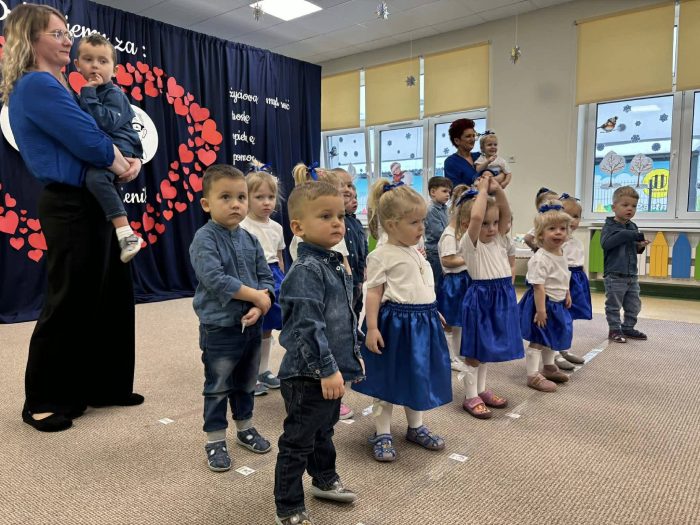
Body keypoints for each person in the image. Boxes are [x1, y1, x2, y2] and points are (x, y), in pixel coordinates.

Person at [2, 4, 143, 432]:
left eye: (67, 33)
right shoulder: (36, 84)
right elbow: (86, 139)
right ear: (32, 39)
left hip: (93, 201)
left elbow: (105, 132)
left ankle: (104, 385)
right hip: (69, 204)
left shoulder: (64, 83)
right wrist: (121, 163)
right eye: (58, 34)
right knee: (70, 300)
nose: (68, 41)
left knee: (110, 296)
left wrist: (128, 159)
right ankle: (43, 400)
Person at [274, 181, 364, 525]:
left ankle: (324, 479)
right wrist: (327, 369)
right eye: (325, 216)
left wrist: (351, 358)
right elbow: (307, 328)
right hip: (306, 375)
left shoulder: (334, 263)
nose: (337, 222)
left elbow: (343, 318)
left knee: (324, 432)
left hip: (331, 371)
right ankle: (288, 506)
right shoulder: (306, 271)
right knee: (298, 441)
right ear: (298, 227)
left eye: (339, 215)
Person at [353, 179, 451, 462]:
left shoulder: (415, 251)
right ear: (392, 225)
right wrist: (372, 327)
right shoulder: (381, 255)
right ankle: (382, 432)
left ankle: (415, 427)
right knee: (386, 379)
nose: (422, 228)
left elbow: (421, 287)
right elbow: (373, 293)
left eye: (422, 221)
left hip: (422, 323)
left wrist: (432, 310)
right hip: (395, 326)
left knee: (416, 375)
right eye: (414, 222)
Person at [189, 165, 275, 472]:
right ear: (206, 204)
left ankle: (245, 427)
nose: (235, 204)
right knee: (218, 385)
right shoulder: (204, 239)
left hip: (251, 326)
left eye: (241, 197)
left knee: (246, 382)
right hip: (220, 327)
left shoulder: (251, 239)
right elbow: (215, 278)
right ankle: (215, 439)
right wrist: (256, 297)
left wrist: (261, 305)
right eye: (225, 197)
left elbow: (266, 277)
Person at [457, 175, 523, 418]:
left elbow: (506, 214)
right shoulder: (470, 243)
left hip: (501, 297)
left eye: (494, 223)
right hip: (481, 299)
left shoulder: (500, 240)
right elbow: (476, 217)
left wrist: (498, 190)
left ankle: (481, 389)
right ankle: (470, 396)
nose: (492, 228)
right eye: (486, 224)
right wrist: (483, 191)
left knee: (485, 350)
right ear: (467, 225)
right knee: (475, 352)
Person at [74, 33, 143, 263]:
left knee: (96, 178)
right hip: (104, 146)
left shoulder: (113, 94)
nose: (95, 66)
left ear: (114, 70)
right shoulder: (84, 94)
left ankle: (127, 234)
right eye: (88, 60)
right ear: (77, 65)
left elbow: (105, 123)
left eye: (103, 61)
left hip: (121, 147)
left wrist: (88, 93)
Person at [518, 200, 574, 393]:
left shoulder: (561, 252)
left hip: (557, 302)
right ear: (540, 234)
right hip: (542, 303)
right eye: (552, 229)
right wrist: (541, 311)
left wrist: (567, 293)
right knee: (539, 338)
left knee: (552, 334)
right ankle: (532, 375)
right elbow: (538, 287)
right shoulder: (540, 258)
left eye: (562, 229)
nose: (558, 233)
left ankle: (549, 367)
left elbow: (564, 274)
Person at [240, 164, 285, 397]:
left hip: (274, 277)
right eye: (259, 197)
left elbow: (279, 257)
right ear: (246, 198)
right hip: (253, 278)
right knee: (253, 327)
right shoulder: (242, 226)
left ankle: (263, 370)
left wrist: (283, 280)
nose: (266, 202)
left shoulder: (277, 227)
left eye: (271, 197)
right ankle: (248, 375)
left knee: (268, 328)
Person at [601, 186, 649, 343]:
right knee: (614, 305)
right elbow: (607, 244)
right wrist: (628, 235)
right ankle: (614, 329)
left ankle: (628, 327)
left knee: (634, 305)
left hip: (631, 274)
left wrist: (639, 246)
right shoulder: (609, 226)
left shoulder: (632, 226)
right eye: (625, 205)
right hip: (614, 274)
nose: (630, 209)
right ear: (614, 207)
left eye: (634, 206)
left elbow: (632, 248)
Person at [437, 184, 470, 372]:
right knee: (450, 322)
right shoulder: (450, 235)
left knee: (459, 321)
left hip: (463, 281)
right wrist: (469, 258)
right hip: (454, 283)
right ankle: (450, 357)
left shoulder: (460, 232)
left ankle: (457, 353)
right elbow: (448, 260)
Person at [557, 193, 588, 369]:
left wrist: (583, 280)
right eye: (568, 216)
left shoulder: (576, 242)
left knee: (569, 317)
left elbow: (580, 262)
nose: (573, 220)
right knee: (558, 317)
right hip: (562, 281)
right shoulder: (557, 242)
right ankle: (554, 353)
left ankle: (564, 348)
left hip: (576, 280)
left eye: (576, 216)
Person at [344, 184, 368, 325]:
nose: (355, 201)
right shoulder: (340, 222)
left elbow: (364, 246)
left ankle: (355, 331)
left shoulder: (357, 222)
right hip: (347, 275)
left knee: (358, 306)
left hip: (358, 275)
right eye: (349, 197)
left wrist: (364, 267)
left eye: (356, 198)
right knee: (347, 309)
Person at [425, 176, 453, 292]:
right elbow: (438, 232)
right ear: (433, 192)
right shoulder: (431, 210)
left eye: (449, 192)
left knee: (442, 282)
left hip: (442, 249)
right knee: (435, 283)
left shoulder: (444, 208)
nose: (448, 195)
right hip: (434, 252)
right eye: (444, 191)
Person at [443, 118, 481, 187]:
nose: (473, 139)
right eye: (468, 136)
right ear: (457, 141)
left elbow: (496, 171)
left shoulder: (479, 156)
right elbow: (456, 190)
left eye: (473, 136)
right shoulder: (451, 162)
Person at [524, 187, 559, 252]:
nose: (555, 206)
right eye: (551, 203)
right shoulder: (543, 223)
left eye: (557, 203)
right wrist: (537, 249)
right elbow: (527, 238)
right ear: (540, 208)